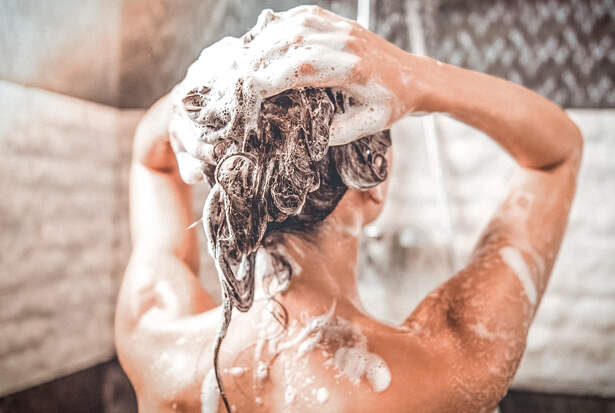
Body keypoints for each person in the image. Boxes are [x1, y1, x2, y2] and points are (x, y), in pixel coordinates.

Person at [115, 6, 583, 413]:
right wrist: (418, 76)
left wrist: (212, 91)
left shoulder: (156, 339)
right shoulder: (449, 366)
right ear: (372, 183)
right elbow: (556, 154)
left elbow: (150, 158)